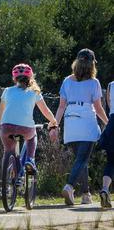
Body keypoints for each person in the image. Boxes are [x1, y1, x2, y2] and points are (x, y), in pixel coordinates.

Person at [52, 48, 108, 205]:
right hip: (86, 121)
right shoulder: (94, 83)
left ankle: (86, 194)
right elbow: (98, 108)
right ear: (92, 65)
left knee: (81, 159)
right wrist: (108, 123)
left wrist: (55, 125)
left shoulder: (67, 81)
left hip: (70, 122)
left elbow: (61, 106)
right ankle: (69, 186)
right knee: (83, 158)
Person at [0, 64, 58, 175]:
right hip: (25, 128)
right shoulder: (34, 92)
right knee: (32, 136)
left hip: (6, 127)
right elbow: (46, 111)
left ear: (14, 78)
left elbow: (1, 112)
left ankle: (7, 181)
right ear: (31, 77)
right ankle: (30, 160)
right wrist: (53, 122)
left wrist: (1, 125)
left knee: (8, 151)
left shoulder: (7, 91)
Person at [98, 79, 114, 208]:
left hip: (112, 124)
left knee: (111, 161)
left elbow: (109, 104)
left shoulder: (111, 85)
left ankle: (105, 189)